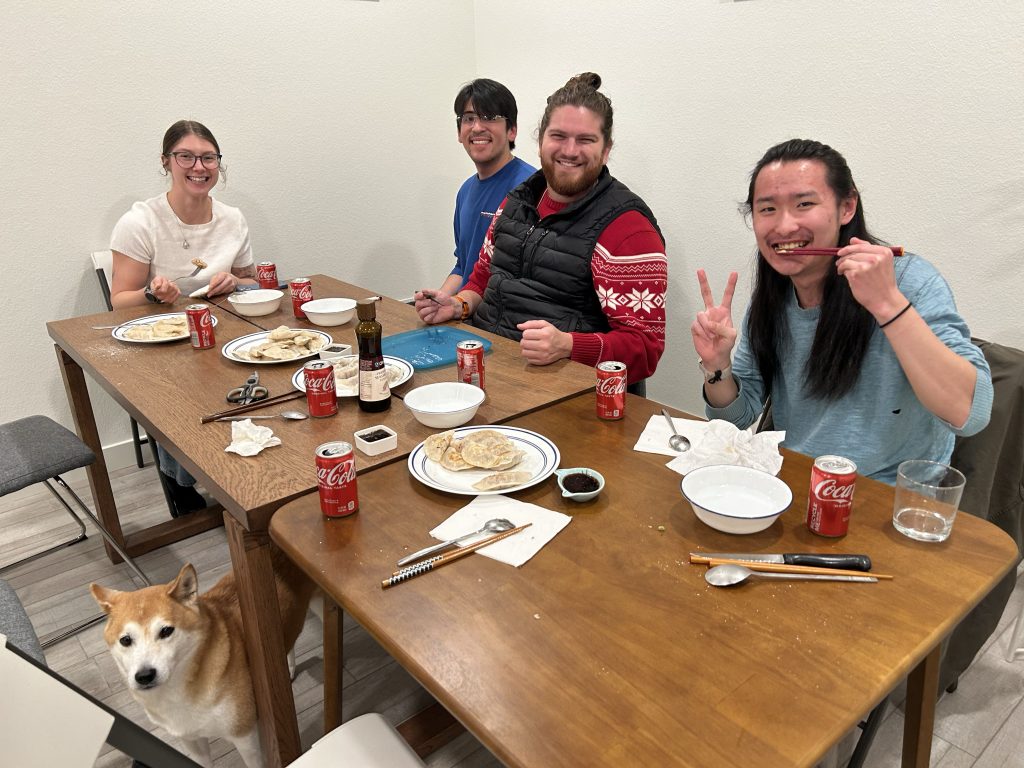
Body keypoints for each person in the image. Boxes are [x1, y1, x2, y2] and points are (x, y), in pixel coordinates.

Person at [691, 138, 992, 483]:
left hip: (889, 494)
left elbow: (971, 415)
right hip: (800, 482)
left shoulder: (910, 282)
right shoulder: (775, 297)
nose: (784, 226)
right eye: (768, 209)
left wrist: (888, 305)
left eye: (804, 204)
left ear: (846, 207)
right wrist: (717, 367)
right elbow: (736, 418)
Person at [415, 73, 667, 387]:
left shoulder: (629, 229)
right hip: (489, 369)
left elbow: (645, 348)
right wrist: (458, 305)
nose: (570, 150)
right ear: (540, 142)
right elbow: (482, 278)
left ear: (606, 150)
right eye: (558, 136)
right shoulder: (516, 201)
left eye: (586, 140)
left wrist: (568, 345)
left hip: (562, 393)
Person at [109, 120, 257, 515]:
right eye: (186, 157)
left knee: (266, 363)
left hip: (223, 329)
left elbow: (250, 280)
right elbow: (119, 301)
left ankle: (246, 471)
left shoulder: (232, 218)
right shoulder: (140, 221)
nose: (199, 167)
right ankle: (180, 478)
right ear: (166, 162)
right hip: (164, 338)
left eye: (208, 158)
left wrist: (235, 281)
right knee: (181, 384)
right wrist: (151, 294)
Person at [440, 78, 536, 295]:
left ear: (512, 130)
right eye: (469, 118)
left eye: (489, 117)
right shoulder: (465, 191)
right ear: (459, 132)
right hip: (466, 309)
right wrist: (439, 299)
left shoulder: (532, 188)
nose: (477, 127)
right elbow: (463, 266)